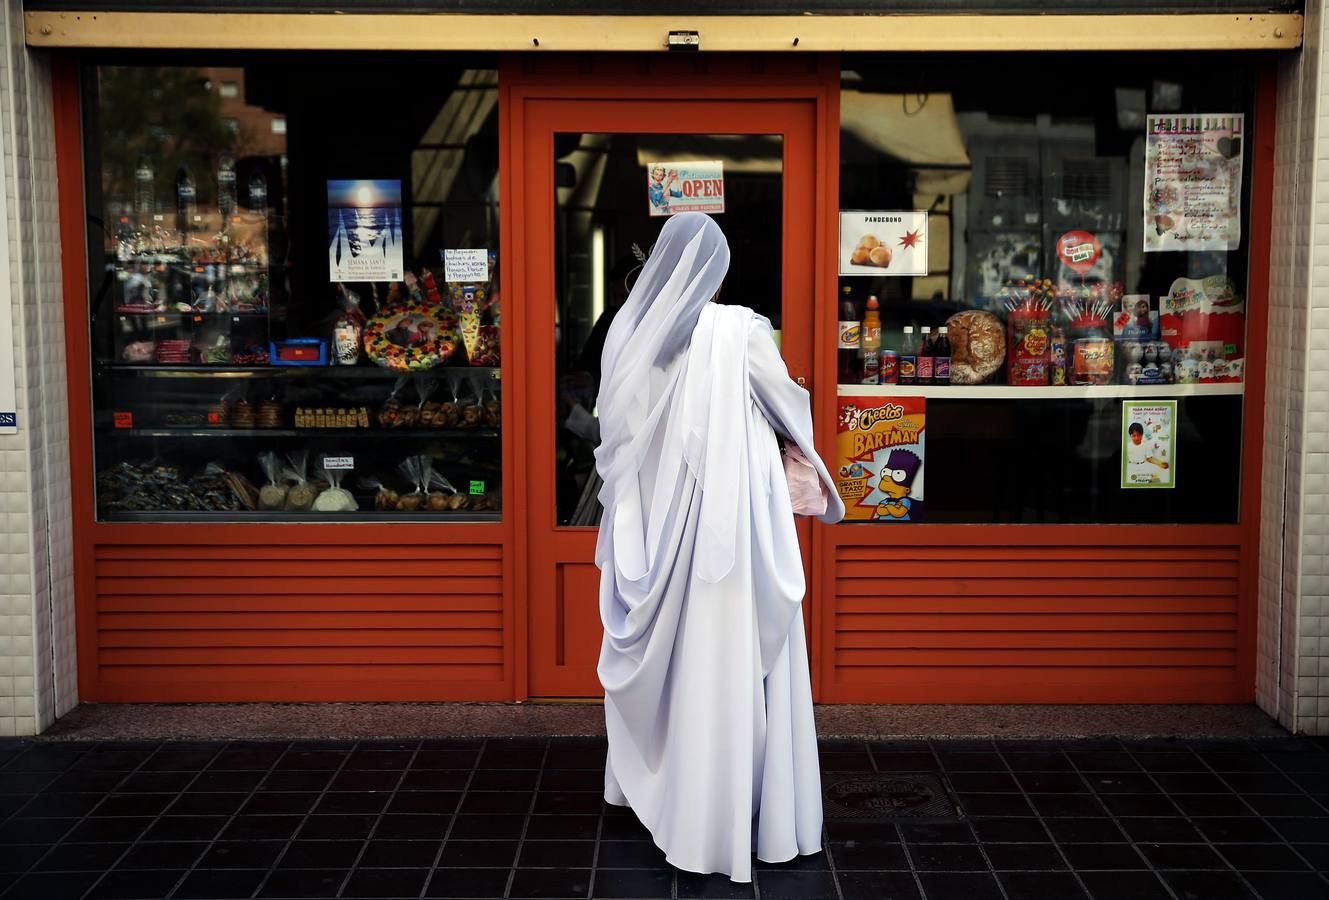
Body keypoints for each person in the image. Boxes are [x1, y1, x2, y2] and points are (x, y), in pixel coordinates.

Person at [594, 212, 844, 883]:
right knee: (724, 658)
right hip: (729, 523)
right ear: (716, 266)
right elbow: (787, 402)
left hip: (650, 520)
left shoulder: (624, 332)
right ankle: (724, 811)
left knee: (671, 661)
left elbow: (616, 437)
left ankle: (654, 787)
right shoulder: (738, 330)